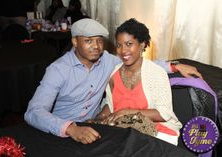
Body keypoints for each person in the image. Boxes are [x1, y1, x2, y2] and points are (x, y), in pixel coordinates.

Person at [24, 18, 202, 145]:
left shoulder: (107, 61)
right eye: (88, 41)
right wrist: (71, 129)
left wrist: (174, 66)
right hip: (62, 132)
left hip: (96, 129)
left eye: (99, 41)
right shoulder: (57, 70)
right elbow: (33, 112)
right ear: (74, 42)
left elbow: (140, 63)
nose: (96, 46)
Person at [97, 18, 182, 145]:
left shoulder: (156, 73)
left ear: (142, 45)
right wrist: (100, 118)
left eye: (129, 44)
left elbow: (163, 114)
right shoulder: (114, 74)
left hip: (156, 132)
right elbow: (111, 104)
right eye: (119, 45)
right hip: (123, 132)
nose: (123, 50)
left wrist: (127, 112)